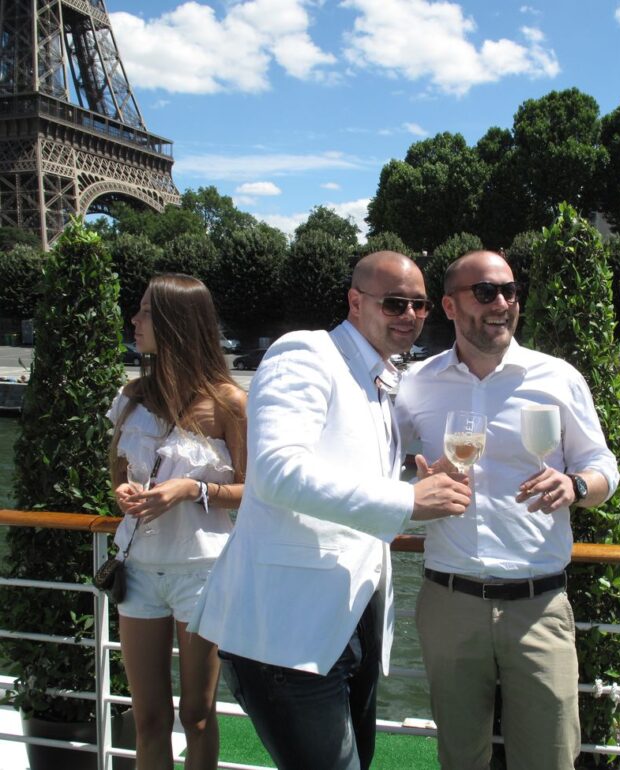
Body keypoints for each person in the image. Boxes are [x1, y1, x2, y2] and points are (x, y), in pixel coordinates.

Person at [190, 251, 471, 770]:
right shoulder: (306, 354)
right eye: (395, 303)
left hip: (349, 624)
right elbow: (277, 472)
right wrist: (409, 500)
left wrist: (413, 484)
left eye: (420, 305)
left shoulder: (378, 378)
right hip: (286, 632)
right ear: (355, 301)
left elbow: (345, 475)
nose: (409, 315)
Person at [395, 250, 620, 770]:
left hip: (538, 604)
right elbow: (382, 469)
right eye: (485, 292)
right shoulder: (417, 383)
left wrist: (575, 485)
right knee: (460, 757)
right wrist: (416, 488)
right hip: (450, 601)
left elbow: (603, 466)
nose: (502, 302)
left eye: (510, 291)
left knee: (549, 758)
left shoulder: (557, 377)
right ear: (450, 306)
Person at [108, 274, 247, 770]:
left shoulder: (229, 403)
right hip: (139, 569)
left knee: (198, 715)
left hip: (203, 573)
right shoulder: (132, 396)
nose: (135, 320)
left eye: (146, 311)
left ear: (176, 322)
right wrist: (125, 494)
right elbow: (118, 475)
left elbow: (254, 493)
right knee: (147, 717)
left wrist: (192, 489)